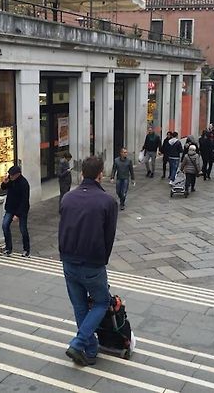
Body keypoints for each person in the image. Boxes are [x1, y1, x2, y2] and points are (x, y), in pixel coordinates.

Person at [59, 156, 118, 366]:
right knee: (101, 302)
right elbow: (108, 236)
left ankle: (91, 350)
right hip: (92, 263)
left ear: (82, 174)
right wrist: (102, 259)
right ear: (101, 174)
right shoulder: (108, 202)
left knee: (80, 306)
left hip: (67, 260)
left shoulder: (67, 198)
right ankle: (78, 343)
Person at [0, 165, 30, 257]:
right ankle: (8, 248)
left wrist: (17, 214)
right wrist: (4, 183)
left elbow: (24, 200)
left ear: (18, 174)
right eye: (10, 174)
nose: (10, 176)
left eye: (12, 175)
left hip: (21, 210)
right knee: (5, 225)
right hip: (10, 207)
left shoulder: (24, 183)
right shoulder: (10, 179)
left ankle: (26, 249)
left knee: (23, 229)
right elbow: (3, 188)